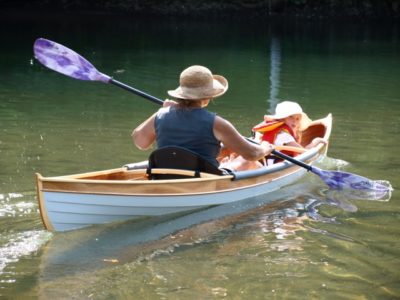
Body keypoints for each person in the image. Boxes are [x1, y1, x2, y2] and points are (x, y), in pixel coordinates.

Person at [131, 65, 273, 172]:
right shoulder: (217, 123)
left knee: (226, 151)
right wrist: (266, 148)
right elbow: (252, 154)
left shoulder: (160, 115)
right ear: (208, 96)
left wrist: (161, 111)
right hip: (202, 180)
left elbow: (139, 142)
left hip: (165, 176)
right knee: (246, 160)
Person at [252, 101, 327, 161]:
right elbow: (305, 153)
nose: (294, 121)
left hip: (268, 161)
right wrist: (315, 141)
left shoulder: (278, 131)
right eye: (291, 117)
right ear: (282, 118)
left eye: (297, 119)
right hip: (274, 164)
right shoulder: (284, 136)